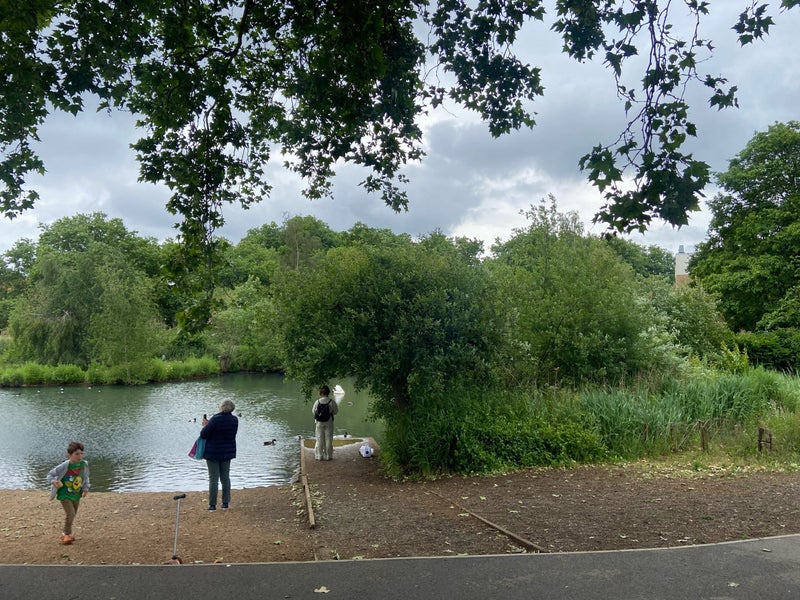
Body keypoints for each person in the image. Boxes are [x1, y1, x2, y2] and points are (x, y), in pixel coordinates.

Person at [47, 441, 90, 545]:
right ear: (69, 455)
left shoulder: (84, 464)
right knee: (70, 514)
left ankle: (68, 534)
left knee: (73, 514)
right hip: (64, 494)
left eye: (81, 453)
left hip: (76, 494)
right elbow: (50, 475)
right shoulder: (64, 465)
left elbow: (86, 477)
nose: (80, 456)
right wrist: (54, 481)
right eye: (77, 454)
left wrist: (85, 488)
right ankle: (65, 534)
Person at [200, 399, 239, 511]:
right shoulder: (234, 420)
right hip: (227, 452)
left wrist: (205, 425)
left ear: (221, 407)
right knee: (225, 477)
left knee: (213, 478)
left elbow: (204, 434)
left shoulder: (215, 419)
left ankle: (212, 505)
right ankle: (225, 503)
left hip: (213, 452)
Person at [312, 384, 338, 461]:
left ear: (321, 393)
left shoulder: (317, 401)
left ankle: (319, 456)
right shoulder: (331, 401)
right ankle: (328, 456)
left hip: (319, 423)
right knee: (328, 439)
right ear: (328, 393)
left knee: (319, 438)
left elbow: (313, 411)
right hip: (329, 422)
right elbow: (336, 411)